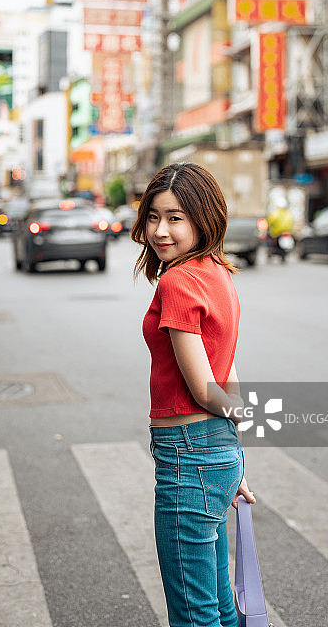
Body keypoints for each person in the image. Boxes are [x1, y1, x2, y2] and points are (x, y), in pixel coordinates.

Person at [132, 162, 255, 627]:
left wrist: (234, 424)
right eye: (154, 216)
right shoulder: (217, 272)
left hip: (189, 455)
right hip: (213, 453)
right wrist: (232, 451)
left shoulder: (178, 281)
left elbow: (205, 388)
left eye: (176, 218)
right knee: (221, 604)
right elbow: (227, 368)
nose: (161, 230)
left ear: (203, 219)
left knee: (194, 612)